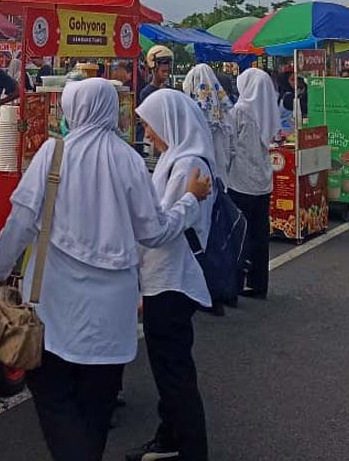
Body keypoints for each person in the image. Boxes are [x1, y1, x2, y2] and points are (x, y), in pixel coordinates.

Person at [0, 79, 211, 461]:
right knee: (96, 406)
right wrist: (189, 202)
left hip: (54, 306)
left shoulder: (53, 153)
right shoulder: (129, 160)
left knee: (54, 399)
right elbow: (154, 233)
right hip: (111, 315)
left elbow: (20, 222)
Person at [131, 89, 216, 461]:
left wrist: (188, 199)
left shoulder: (187, 165)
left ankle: (192, 448)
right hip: (161, 277)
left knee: (174, 371)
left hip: (172, 280)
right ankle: (170, 438)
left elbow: (162, 227)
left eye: (150, 125)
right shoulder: (173, 159)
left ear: (169, 122)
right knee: (169, 367)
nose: (147, 133)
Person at [227, 67, 281, 300]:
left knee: (240, 235)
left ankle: (236, 283)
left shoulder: (239, 111)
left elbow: (229, 145)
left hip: (240, 181)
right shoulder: (269, 110)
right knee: (260, 236)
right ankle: (259, 284)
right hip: (262, 181)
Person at [181, 63, 234, 180]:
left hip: (197, 180)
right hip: (223, 176)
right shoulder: (225, 113)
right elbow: (232, 148)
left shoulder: (190, 115)